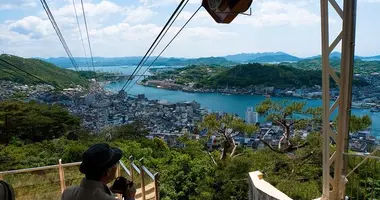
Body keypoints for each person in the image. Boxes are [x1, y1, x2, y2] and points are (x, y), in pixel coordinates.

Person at [61, 143, 136, 200]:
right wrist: (130, 197)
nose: (116, 165)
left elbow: (91, 195)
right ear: (108, 171)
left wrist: (108, 191)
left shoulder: (68, 193)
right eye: (115, 163)